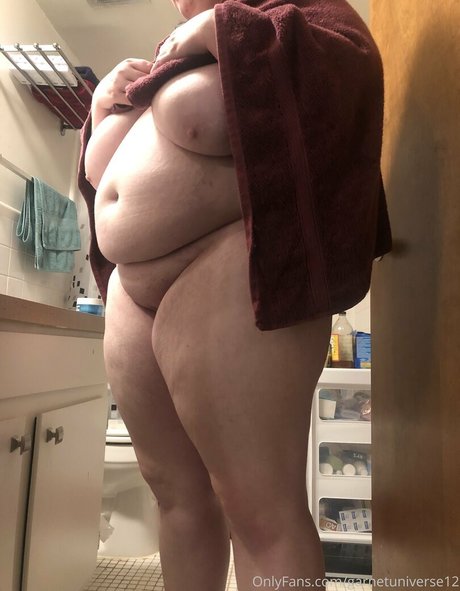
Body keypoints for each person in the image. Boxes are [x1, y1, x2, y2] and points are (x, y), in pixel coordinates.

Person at [80, 1, 390, 590]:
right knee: (175, 496)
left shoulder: (302, 14)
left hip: (233, 262)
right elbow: (103, 178)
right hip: (131, 290)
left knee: (260, 511)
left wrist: (222, 29)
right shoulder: (169, 58)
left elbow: (349, 78)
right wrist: (102, 110)